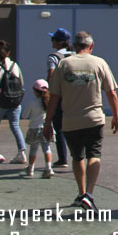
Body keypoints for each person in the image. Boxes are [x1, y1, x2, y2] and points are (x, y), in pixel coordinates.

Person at [44, 31, 118, 214]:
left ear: (75, 46)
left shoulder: (63, 64)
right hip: (94, 118)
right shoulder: (99, 62)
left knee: (77, 157)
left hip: (70, 120)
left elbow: (53, 95)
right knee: (94, 154)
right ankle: (90, 194)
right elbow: (111, 92)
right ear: (91, 46)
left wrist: (48, 122)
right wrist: (116, 116)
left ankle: (81, 192)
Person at [0, 39, 27, 164]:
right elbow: (21, 82)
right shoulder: (15, 65)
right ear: (9, 52)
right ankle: (21, 152)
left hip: (1, 101)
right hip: (15, 101)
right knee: (15, 126)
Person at [46, 28, 73, 168]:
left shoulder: (54, 57)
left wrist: (48, 91)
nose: (51, 41)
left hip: (60, 95)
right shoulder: (74, 54)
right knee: (75, 126)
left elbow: (51, 74)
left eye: (53, 39)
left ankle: (63, 158)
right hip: (75, 95)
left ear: (58, 42)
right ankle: (77, 156)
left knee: (59, 126)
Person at [23, 79, 54, 178]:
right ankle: (48, 168)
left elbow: (24, 115)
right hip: (46, 127)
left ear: (35, 91)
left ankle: (30, 168)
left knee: (33, 149)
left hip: (34, 128)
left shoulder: (32, 103)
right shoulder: (50, 102)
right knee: (47, 148)